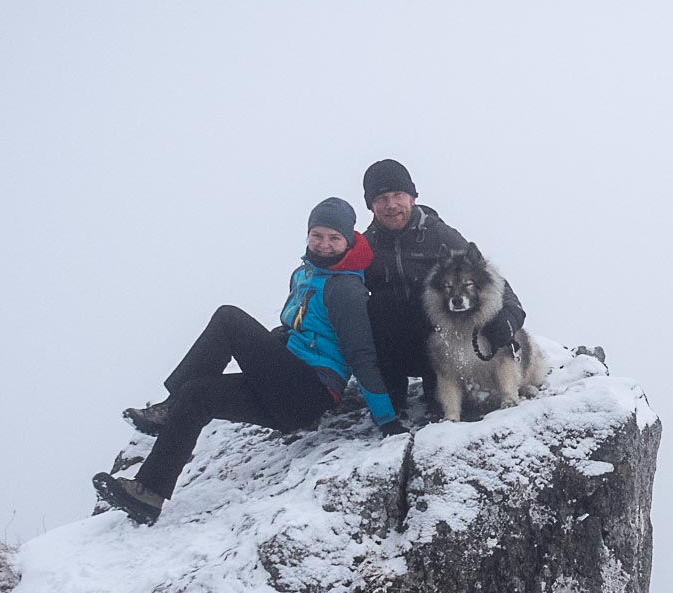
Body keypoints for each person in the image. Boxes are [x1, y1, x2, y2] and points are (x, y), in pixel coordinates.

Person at [93, 197, 404, 526]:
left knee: (228, 319)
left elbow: (361, 354)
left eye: (334, 238)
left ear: (348, 240)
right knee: (197, 393)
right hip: (283, 387)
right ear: (307, 235)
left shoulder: (346, 289)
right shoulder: (304, 275)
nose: (324, 245)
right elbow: (295, 328)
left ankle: (167, 409)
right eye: (317, 235)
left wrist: (386, 420)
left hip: (309, 393)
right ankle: (148, 493)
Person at [359, 158, 525, 418]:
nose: (391, 205)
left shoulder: (439, 235)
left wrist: (511, 316)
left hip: (438, 341)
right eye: (381, 198)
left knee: (425, 302)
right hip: (392, 346)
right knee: (379, 304)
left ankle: (441, 393)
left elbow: (488, 277)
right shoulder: (365, 246)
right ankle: (392, 394)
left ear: (412, 197)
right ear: (371, 205)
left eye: (398, 195)